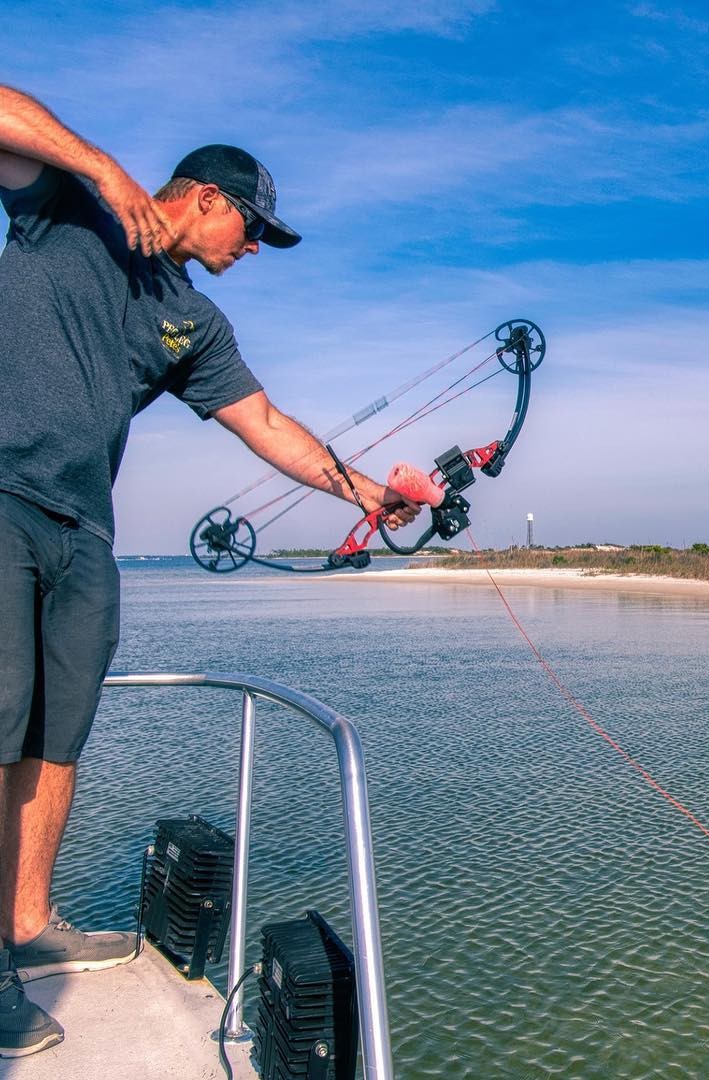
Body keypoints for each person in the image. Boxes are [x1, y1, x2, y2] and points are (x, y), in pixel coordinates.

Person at [0, 85, 419, 1057]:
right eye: (254, 227)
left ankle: (25, 924)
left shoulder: (195, 324)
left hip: (81, 532)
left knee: (55, 734)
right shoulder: (72, 206)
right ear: (205, 200)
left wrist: (364, 494)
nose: (256, 250)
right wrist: (100, 166)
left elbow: (267, 425)